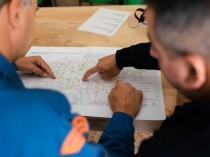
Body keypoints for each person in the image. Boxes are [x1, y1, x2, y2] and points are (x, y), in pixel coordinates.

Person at [0, 0, 142, 156]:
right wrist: (123, 116)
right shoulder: (40, 119)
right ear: (15, 12)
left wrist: (11, 62)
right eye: (34, 12)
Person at [83, 0, 210, 156]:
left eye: (156, 46)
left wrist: (123, 116)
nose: (152, 53)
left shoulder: (175, 147)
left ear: (193, 72)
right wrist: (120, 58)